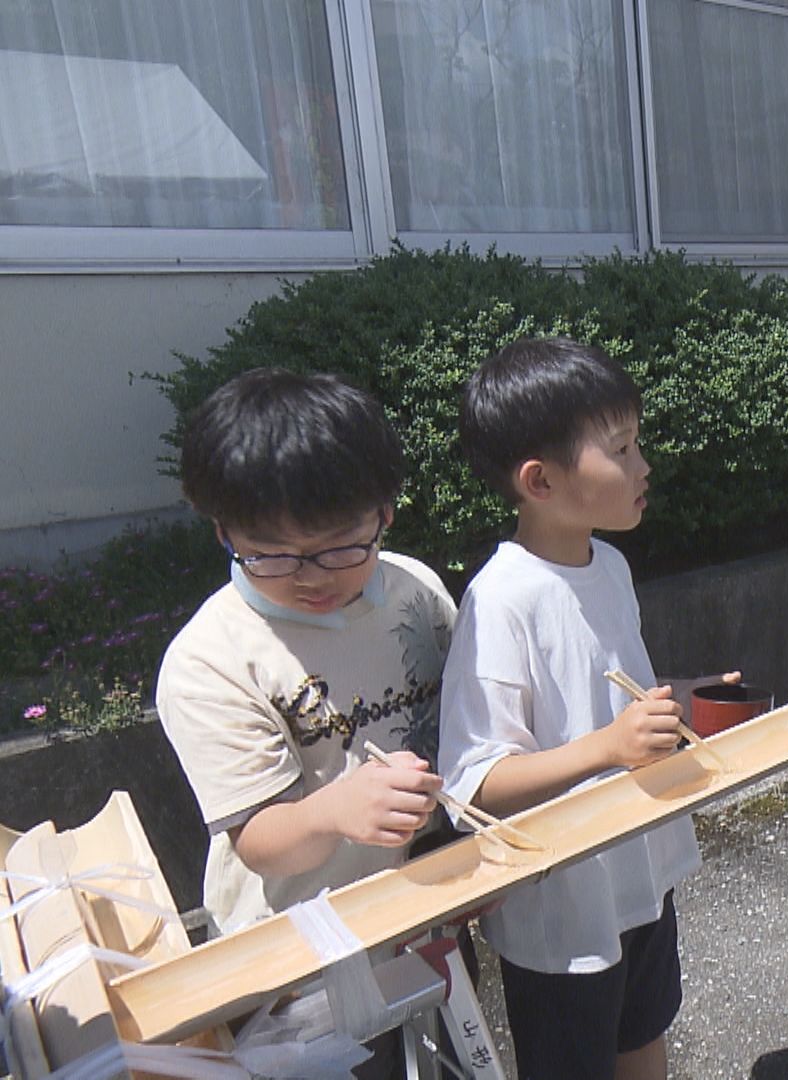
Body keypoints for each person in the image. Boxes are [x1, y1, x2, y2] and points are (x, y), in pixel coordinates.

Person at [157, 369, 455, 1077]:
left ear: (385, 511)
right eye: (269, 552)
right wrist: (338, 810)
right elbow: (260, 842)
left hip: (421, 913)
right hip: (298, 960)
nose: (311, 576)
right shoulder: (213, 659)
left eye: (338, 545)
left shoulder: (414, 592)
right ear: (222, 529)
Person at [438, 339, 701, 1080]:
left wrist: (677, 703)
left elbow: (603, 690)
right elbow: (473, 783)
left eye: (637, 441)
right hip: (563, 908)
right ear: (540, 480)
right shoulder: (501, 599)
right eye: (620, 448)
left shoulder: (608, 564)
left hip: (638, 868)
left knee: (645, 1029)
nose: (643, 464)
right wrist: (609, 748)